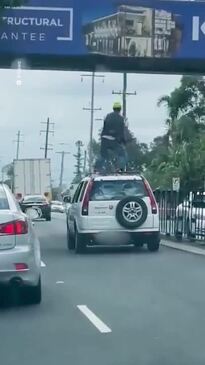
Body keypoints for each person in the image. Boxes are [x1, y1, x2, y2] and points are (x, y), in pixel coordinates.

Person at [99, 102, 127, 171]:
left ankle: (99, 168)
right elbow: (121, 131)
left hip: (104, 139)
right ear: (120, 109)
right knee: (122, 154)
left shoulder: (107, 116)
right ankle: (121, 168)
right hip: (113, 140)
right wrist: (123, 141)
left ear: (113, 108)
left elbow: (104, 127)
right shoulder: (120, 118)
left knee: (103, 155)